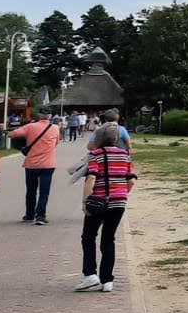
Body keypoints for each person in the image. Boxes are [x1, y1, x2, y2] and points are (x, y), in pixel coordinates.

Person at [75, 123, 136, 292]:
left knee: (88, 237)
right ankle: (107, 280)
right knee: (108, 239)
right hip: (119, 202)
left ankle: (90, 275)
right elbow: (131, 181)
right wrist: (123, 194)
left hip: (98, 201)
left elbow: (91, 178)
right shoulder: (125, 155)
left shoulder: (96, 155)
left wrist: (84, 201)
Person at [11, 112, 60, 225]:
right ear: (50, 116)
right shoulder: (55, 128)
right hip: (48, 164)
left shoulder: (30, 126)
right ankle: (41, 216)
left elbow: (12, 134)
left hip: (31, 164)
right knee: (44, 192)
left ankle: (29, 214)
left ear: (39, 115)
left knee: (31, 190)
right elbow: (56, 143)